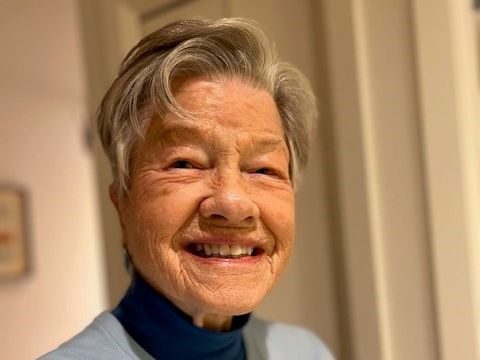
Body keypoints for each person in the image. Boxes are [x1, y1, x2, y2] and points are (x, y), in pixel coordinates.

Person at [40, 18, 334, 360]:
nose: (233, 202)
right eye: (185, 164)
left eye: (262, 169)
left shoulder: (304, 352)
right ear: (122, 207)